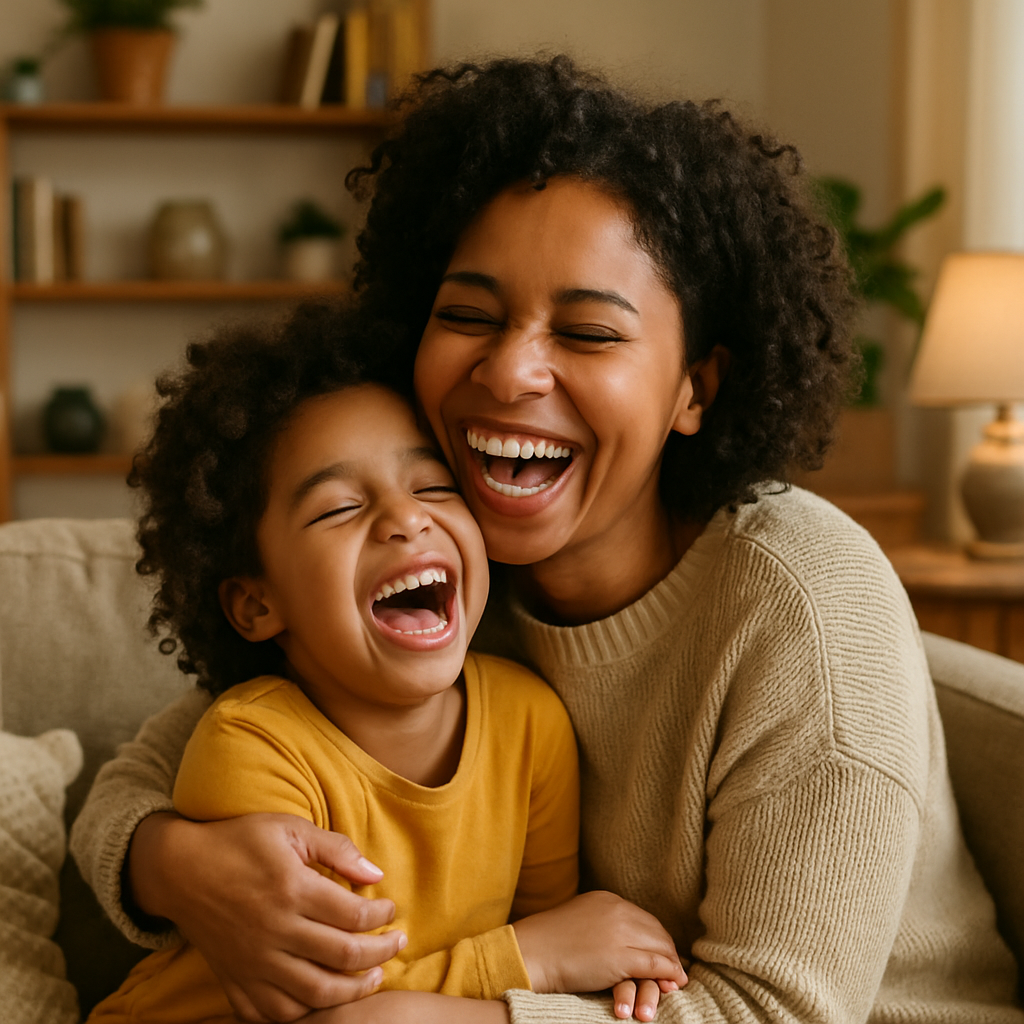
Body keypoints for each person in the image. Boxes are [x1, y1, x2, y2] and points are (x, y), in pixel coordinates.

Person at [72, 56, 1024, 1024]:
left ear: (694, 385)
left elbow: (779, 1013)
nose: (511, 368)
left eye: (589, 333)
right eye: (468, 316)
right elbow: (157, 762)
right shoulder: (440, 564)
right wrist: (177, 862)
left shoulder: (798, 600)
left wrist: (427, 1016)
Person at [85, 306, 686, 1024]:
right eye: (338, 508)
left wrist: (606, 977)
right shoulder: (251, 745)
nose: (406, 519)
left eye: (434, 487)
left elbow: (550, 958)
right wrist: (532, 958)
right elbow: (330, 1001)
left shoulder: (531, 723)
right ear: (255, 604)